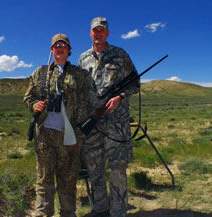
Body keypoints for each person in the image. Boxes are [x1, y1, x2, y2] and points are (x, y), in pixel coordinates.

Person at [78, 17, 140, 217]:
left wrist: (120, 97)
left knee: (117, 168)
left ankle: (118, 211)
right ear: (90, 33)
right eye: (95, 30)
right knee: (94, 169)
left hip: (117, 124)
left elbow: (135, 83)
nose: (98, 33)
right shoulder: (83, 59)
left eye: (102, 30)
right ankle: (100, 208)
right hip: (92, 124)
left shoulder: (120, 55)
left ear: (108, 33)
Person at [24, 33, 91, 217]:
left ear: (69, 50)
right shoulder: (40, 73)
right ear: (52, 50)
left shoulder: (79, 74)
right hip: (45, 137)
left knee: (68, 183)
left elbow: (86, 103)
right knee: (44, 181)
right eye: (56, 45)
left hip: (69, 136)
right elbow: (28, 97)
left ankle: (68, 214)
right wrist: (34, 105)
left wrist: (78, 134)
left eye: (64, 45)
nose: (60, 48)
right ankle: (42, 214)